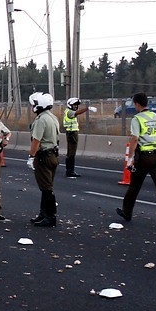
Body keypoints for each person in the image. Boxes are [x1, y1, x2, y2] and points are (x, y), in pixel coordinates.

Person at [116, 92, 156, 227]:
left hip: (144, 157)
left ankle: (127, 212)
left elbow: (134, 139)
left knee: (134, 185)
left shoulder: (137, 119)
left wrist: (130, 159)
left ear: (137, 104)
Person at [27, 92, 60, 227]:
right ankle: (43, 214)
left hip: (43, 157)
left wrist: (31, 157)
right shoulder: (53, 118)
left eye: (34, 104)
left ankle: (50, 216)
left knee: (47, 189)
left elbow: (36, 140)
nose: (32, 107)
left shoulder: (41, 120)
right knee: (47, 187)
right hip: (53, 155)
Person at [63, 97, 96, 177]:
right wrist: (87, 109)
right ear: (70, 105)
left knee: (70, 153)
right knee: (71, 153)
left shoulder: (68, 111)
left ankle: (69, 170)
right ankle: (70, 171)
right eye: (74, 104)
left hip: (71, 133)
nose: (76, 106)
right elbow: (76, 113)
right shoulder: (69, 112)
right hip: (72, 134)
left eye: (76, 105)